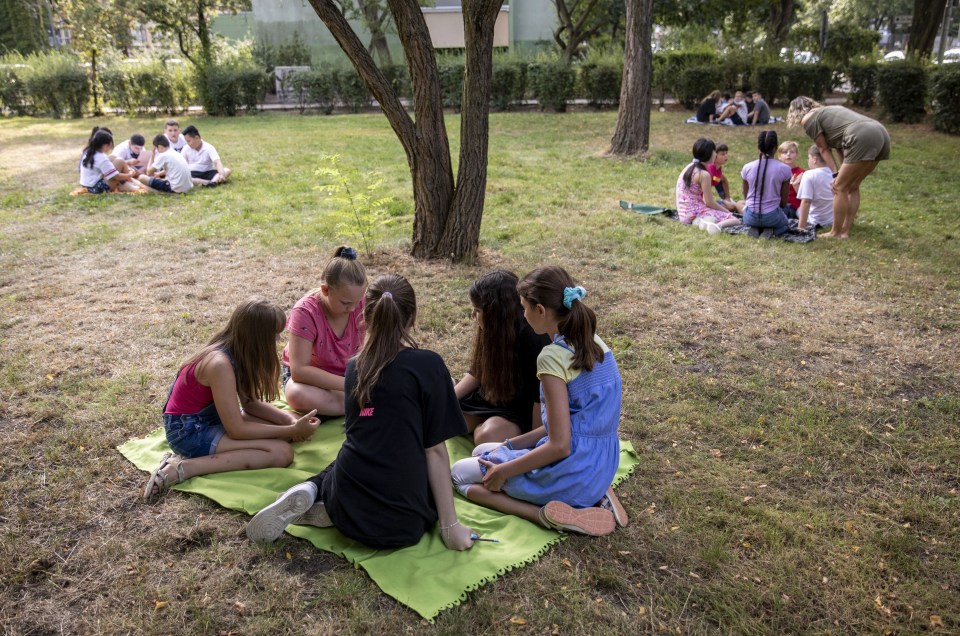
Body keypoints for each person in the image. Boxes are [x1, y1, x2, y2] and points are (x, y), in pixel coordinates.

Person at [247, 274, 476, 551]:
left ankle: (315, 489)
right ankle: (318, 496)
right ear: (413, 316)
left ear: (365, 315)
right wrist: (450, 527)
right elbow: (435, 451)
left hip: (348, 498)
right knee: (397, 454)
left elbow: (359, 433)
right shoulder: (430, 365)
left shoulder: (355, 367)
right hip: (405, 524)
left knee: (353, 452)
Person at [449, 267, 627, 537]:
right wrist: (509, 447)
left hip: (571, 469)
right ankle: (598, 491)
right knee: (481, 451)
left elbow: (559, 445)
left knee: (458, 474)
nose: (521, 315)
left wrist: (504, 470)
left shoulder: (552, 358)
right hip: (601, 463)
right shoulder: (596, 343)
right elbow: (563, 427)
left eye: (523, 308)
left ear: (541, 310)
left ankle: (543, 515)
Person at [143, 297, 320, 502]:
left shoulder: (237, 350)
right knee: (281, 453)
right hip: (188, 432)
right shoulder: (219, 364)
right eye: (274, 335)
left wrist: (291, 423)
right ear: (258, 338)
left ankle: (192, 461)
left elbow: (250, 403)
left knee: (286, 417)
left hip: (211, 421)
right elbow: (237, 430)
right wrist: (291, 431)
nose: (278, 340)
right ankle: (180, 468)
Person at [455, 270, 551, 444]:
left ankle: (488, 425)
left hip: (523, 408)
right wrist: (449, 398)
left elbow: (539, 396)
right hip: (492, 396)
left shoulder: (533, 339)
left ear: (495, 314)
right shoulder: (494, 330)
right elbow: (478, 372)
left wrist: (536, 443)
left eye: (477, 310)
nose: (472, 315)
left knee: (486, 436)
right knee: (443, 420)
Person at [788, 96, 891, 239]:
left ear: (795, 112)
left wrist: (836, 175)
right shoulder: (829, 112)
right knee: (853, 186)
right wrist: (841, 171)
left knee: (839, 187)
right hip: (880, 131)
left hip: (860, 133)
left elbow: (823, 149)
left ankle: (835, 233)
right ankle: (845, 231)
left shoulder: (809, 119)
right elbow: (840, 148)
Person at [281, 246, 366, 417]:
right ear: (325, 290)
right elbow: (299, 372)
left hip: (348, 377)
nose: (353, 309)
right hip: (311, 381)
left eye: (357, 302)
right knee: (296, 395)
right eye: (345, 303)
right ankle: (353, 404)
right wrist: (351, 384)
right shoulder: (305, 312)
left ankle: (345, 404)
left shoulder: (361, 304)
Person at [675, 138, 742, 233]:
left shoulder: (689, 167)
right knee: (735, 220)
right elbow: (709, 202)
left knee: (716, 212)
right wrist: (726, 212)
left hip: (683, 214)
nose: (715, 154)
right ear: (710, 153)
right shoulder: (704, 174)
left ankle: (700, 222)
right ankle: (715, 226)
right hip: (694, 212)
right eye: (714, 151)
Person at [741, 130, 792, 238]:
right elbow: (783, 203)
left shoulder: (747, 167)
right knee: (786, 219)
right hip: (772, 216)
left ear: (758, 147)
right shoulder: (785, 169)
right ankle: (773, 231)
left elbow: (746, 197)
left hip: (750, 216)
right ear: (776, 147)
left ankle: (755, 227)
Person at [78, 129, 139, 194]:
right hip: (95, 188)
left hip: (87, 185)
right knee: (120, 161)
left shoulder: (90, 151)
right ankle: (128, 182)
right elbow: (116, 176)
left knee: (113, 157)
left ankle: (127, 182)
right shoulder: (101, 158)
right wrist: (129, 175)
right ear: (106, 145)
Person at [796, 145, 835, 231]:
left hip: (816, 221)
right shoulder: (835, 174)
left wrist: (800, 228)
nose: (808, 160)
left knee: (798, 210)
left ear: (814, 159)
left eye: (808, 157)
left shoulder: (809, 174)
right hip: (834, 220)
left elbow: (806, 202)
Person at [706, 143, 745, 214]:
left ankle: (726, 201)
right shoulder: (710, 168)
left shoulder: (718, 168)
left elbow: (724, 180)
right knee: (732, 207)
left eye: (726, 153)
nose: (726, 156)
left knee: (731, 206)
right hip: (703, 200)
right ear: (715, 155)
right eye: (722, 154)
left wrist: (727, 197)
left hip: (708, 199)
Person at [776, 140, 805, 216]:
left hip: (793, 207)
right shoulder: (776, 172)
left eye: (792, 152)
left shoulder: (802, 173)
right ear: (779, 156)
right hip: (776, 205)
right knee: (741, 204)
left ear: (797, 155)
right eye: (785, 152)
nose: (788, 154)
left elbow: (805, 197)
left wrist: (795, 185)